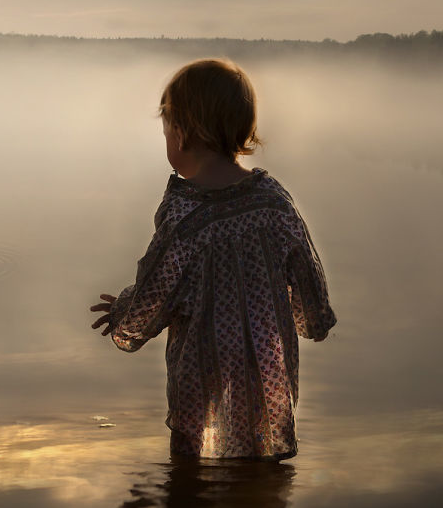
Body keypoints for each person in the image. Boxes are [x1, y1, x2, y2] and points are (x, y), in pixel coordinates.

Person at [90, 59, 336, 460]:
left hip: (199, 389)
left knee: (189, 490)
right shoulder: (274, 203)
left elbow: (156, 295)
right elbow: (311, 292)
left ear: (182, 135)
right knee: (263, 488)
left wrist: (123, 315)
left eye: (167, 130)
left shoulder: (186, 216)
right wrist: (310, 319)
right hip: (268, 386)